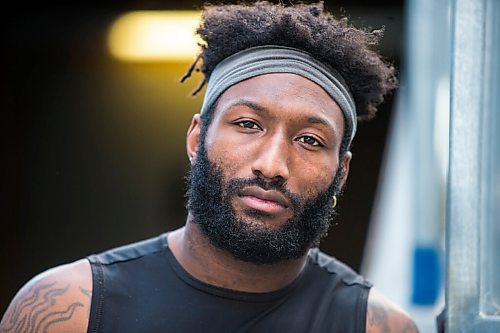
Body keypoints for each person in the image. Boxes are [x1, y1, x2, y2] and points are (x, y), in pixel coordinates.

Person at [1, 2, 419, 332]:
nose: (272, 165)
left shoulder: (375, 326)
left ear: (341, 173)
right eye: (248, 124)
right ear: (197, 139)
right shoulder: (70, 308)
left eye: (310, 140)